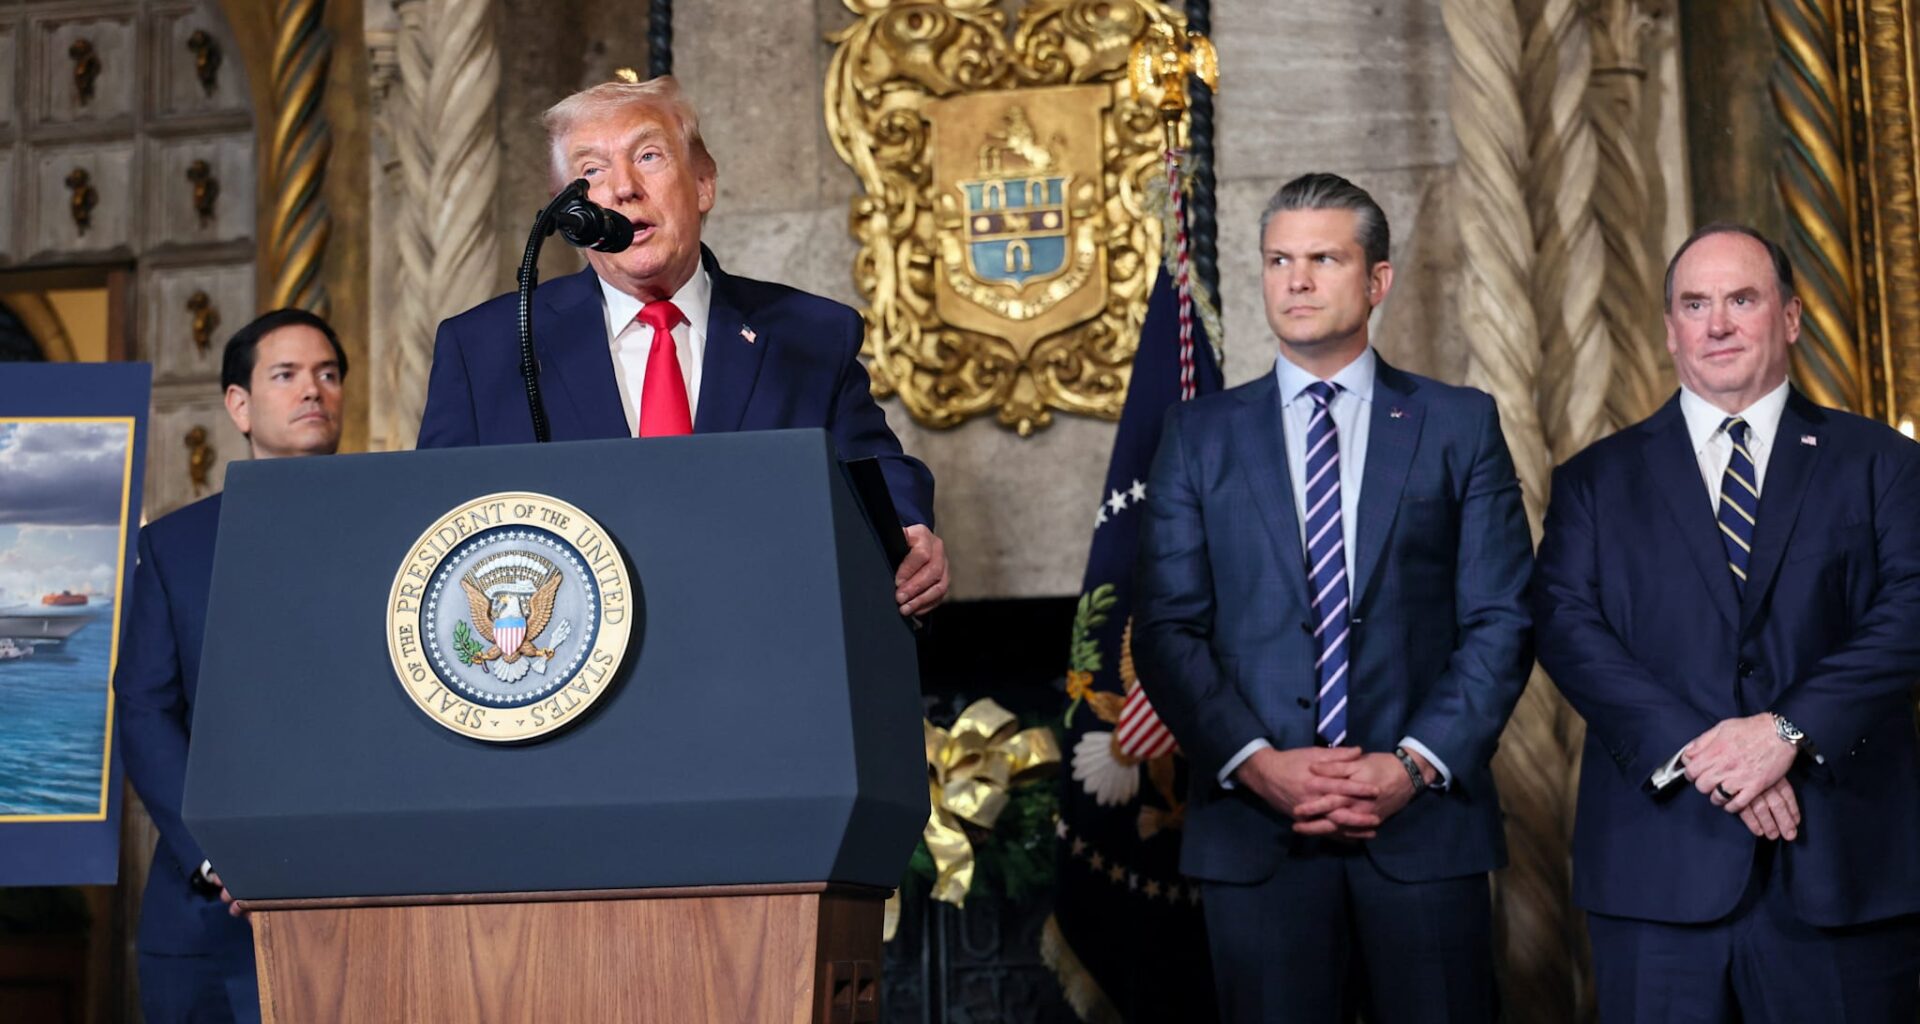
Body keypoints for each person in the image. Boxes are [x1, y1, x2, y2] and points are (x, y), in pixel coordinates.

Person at [1132, 173, 1533, 1022]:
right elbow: (1168, 628)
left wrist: (1412, 764)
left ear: (1376, 281)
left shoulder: (1458, 424)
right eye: (1279, 259)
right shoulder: (1198, 436)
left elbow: (1501, 618)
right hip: (1257, 833)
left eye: (1323, 258)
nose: (1297, 280)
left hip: (1424, 827)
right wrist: (1259, 764)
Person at [1535, 224, 1920, 1022]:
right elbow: (1567, 628)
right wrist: (1705, 753)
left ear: (1790, 316)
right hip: (1658, 872)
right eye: (1694, 304)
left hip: (1842, 867)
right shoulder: (1594, 481)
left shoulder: (1882, 463)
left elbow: (1910, 612)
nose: (1717, 325)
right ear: (1670, 329)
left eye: (1742, 300)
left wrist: (1784, 731)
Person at [415, 75, 947, 616]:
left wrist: (910, 527)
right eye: (591, 171)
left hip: (761, 645)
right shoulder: (485, 349)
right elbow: (432, 522)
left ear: (703, 183)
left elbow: (875, 466)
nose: (623, 188)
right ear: (569, 216)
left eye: (648, 156)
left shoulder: (809, 333)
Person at [115, 309, 348, 1024]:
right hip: (208, 920)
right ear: (239, 405)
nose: (313, 390)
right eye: (286, 375)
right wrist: (220, 856)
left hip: (359, 897)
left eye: (329, 374)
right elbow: (145, 708)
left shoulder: (398, 534)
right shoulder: (174, 549)